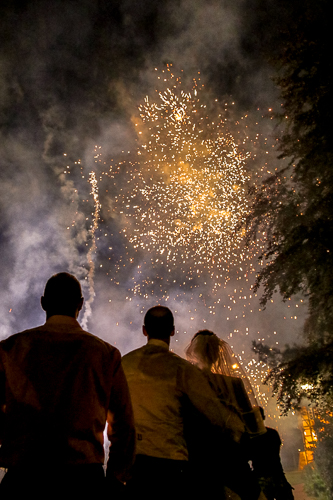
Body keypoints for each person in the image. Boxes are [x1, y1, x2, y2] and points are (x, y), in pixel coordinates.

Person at [0, 272, 135, 499]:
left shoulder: (10, 349)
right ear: (80, 304)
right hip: (82, 481)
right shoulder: (105, 354)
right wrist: (115, 477)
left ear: (43, 303)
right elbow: (124, 424)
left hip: (24, 478)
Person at [121, 306, 247, 500]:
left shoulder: (124, 364)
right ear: (172, 331)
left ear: (144, 330)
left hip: (135, 463)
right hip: (171, 464)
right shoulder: (182, 369)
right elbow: (214, 413)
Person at [185, 330, 267, 500]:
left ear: (194, 352)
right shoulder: (235, 384)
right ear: (217, 354)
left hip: (199, 462)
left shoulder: (188, 386)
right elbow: (253, 428)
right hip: (233, 459)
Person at [249, 408, 294, 500]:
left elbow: (246, 456)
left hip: (263, 477)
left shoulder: (249, 437)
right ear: (263, 417)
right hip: (276, 475)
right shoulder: (272, 433)